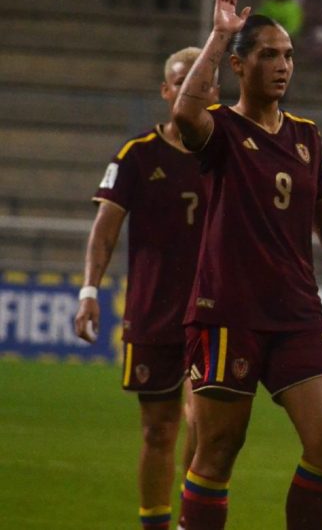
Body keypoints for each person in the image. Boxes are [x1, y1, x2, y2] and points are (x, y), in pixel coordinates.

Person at [171, 0, 322, 530]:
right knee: (218, 449)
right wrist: (219, 35)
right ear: (239, 66)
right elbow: (185, 114)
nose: (283, 66)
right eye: (269, 55)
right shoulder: (222, 129)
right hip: (228, 312)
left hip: (296, 313)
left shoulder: (307, 137)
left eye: (289, 55)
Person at [75, 46, 217, 530]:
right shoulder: (137, 155)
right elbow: (105, 228)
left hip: (214, 315)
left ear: (214, 91)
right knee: (159, 431)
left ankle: (191, 521)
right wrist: (89, 291)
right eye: (181, 82)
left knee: (203, 425)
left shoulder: (230, 154)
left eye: (201, 83)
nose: (191, 90)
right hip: (153, 313)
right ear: (166, 91)